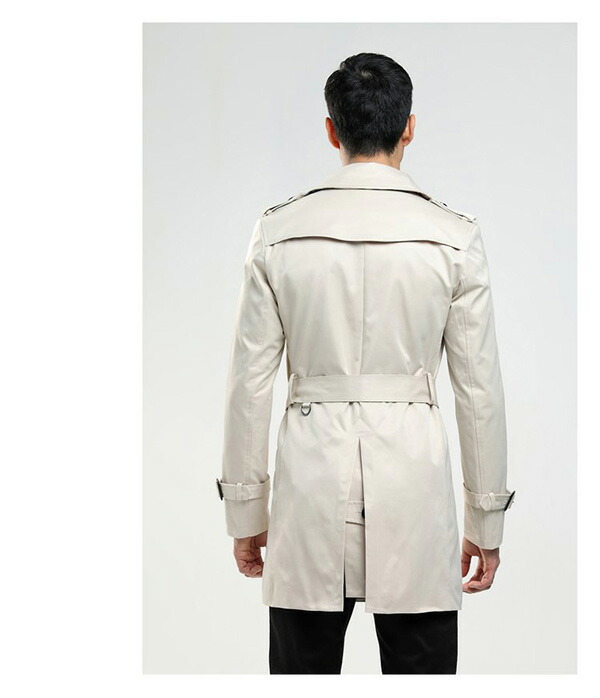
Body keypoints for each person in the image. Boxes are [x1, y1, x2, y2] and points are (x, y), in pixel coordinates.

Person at [217, 52, 515, 675]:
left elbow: (250, 385)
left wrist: (246, 512)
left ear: (332, 131)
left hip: (308, 490)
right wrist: (485, 519)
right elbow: (478, 391)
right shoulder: (453, 237)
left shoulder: (278, 232)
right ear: (409, 127)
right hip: (415, 493)